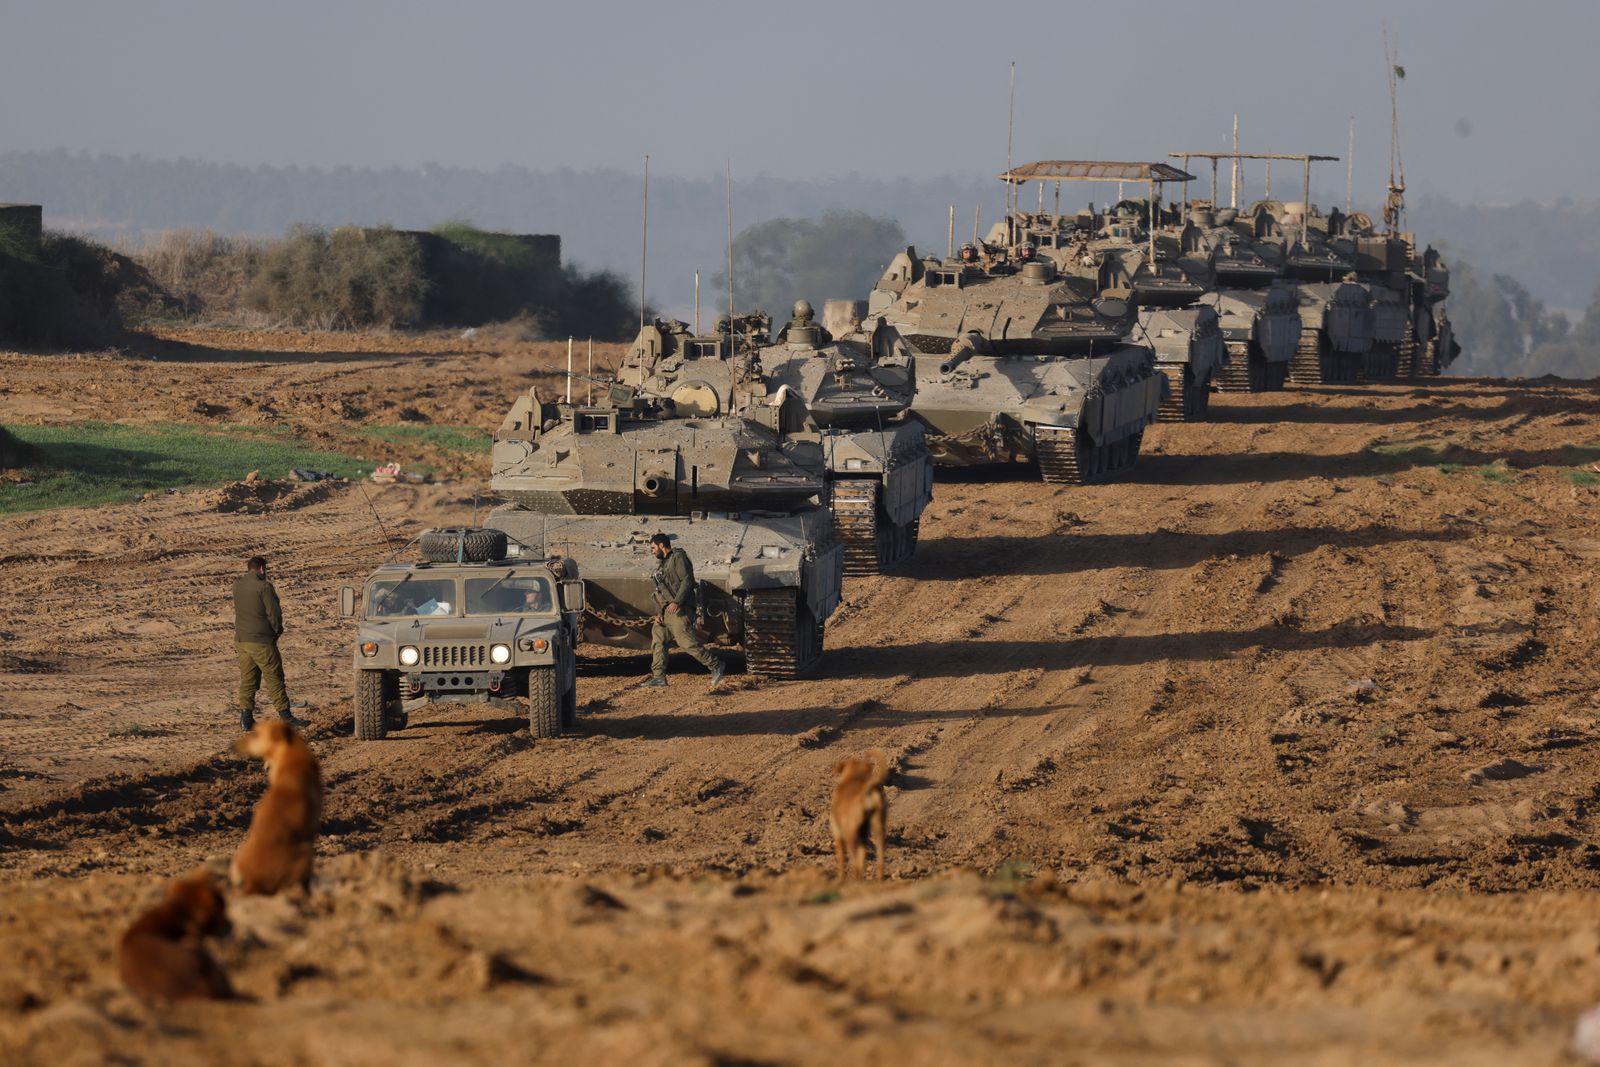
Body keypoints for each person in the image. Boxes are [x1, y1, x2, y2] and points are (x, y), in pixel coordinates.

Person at [231, 556, 308, 731]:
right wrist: (276, 631)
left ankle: (246, 719)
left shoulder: (237, 585)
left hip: (242, 640)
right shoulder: (264, 587)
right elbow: (274, 613)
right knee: (275, 678)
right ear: (262, 569)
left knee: (248, 680)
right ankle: (286, 716)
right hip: (262, 642)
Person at [640, 533, 725, 689]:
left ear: (661, 545)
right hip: (666, 612)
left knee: (687, 643)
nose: (652, 551)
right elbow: (660, 592)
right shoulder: (662, 565)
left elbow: (687, 580)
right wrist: (659, 612)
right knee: (658, 641)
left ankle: (716, 665)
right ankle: (659, 677)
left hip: (680, 609)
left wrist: (677, 602)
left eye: (653, 547)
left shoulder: (678, 557)